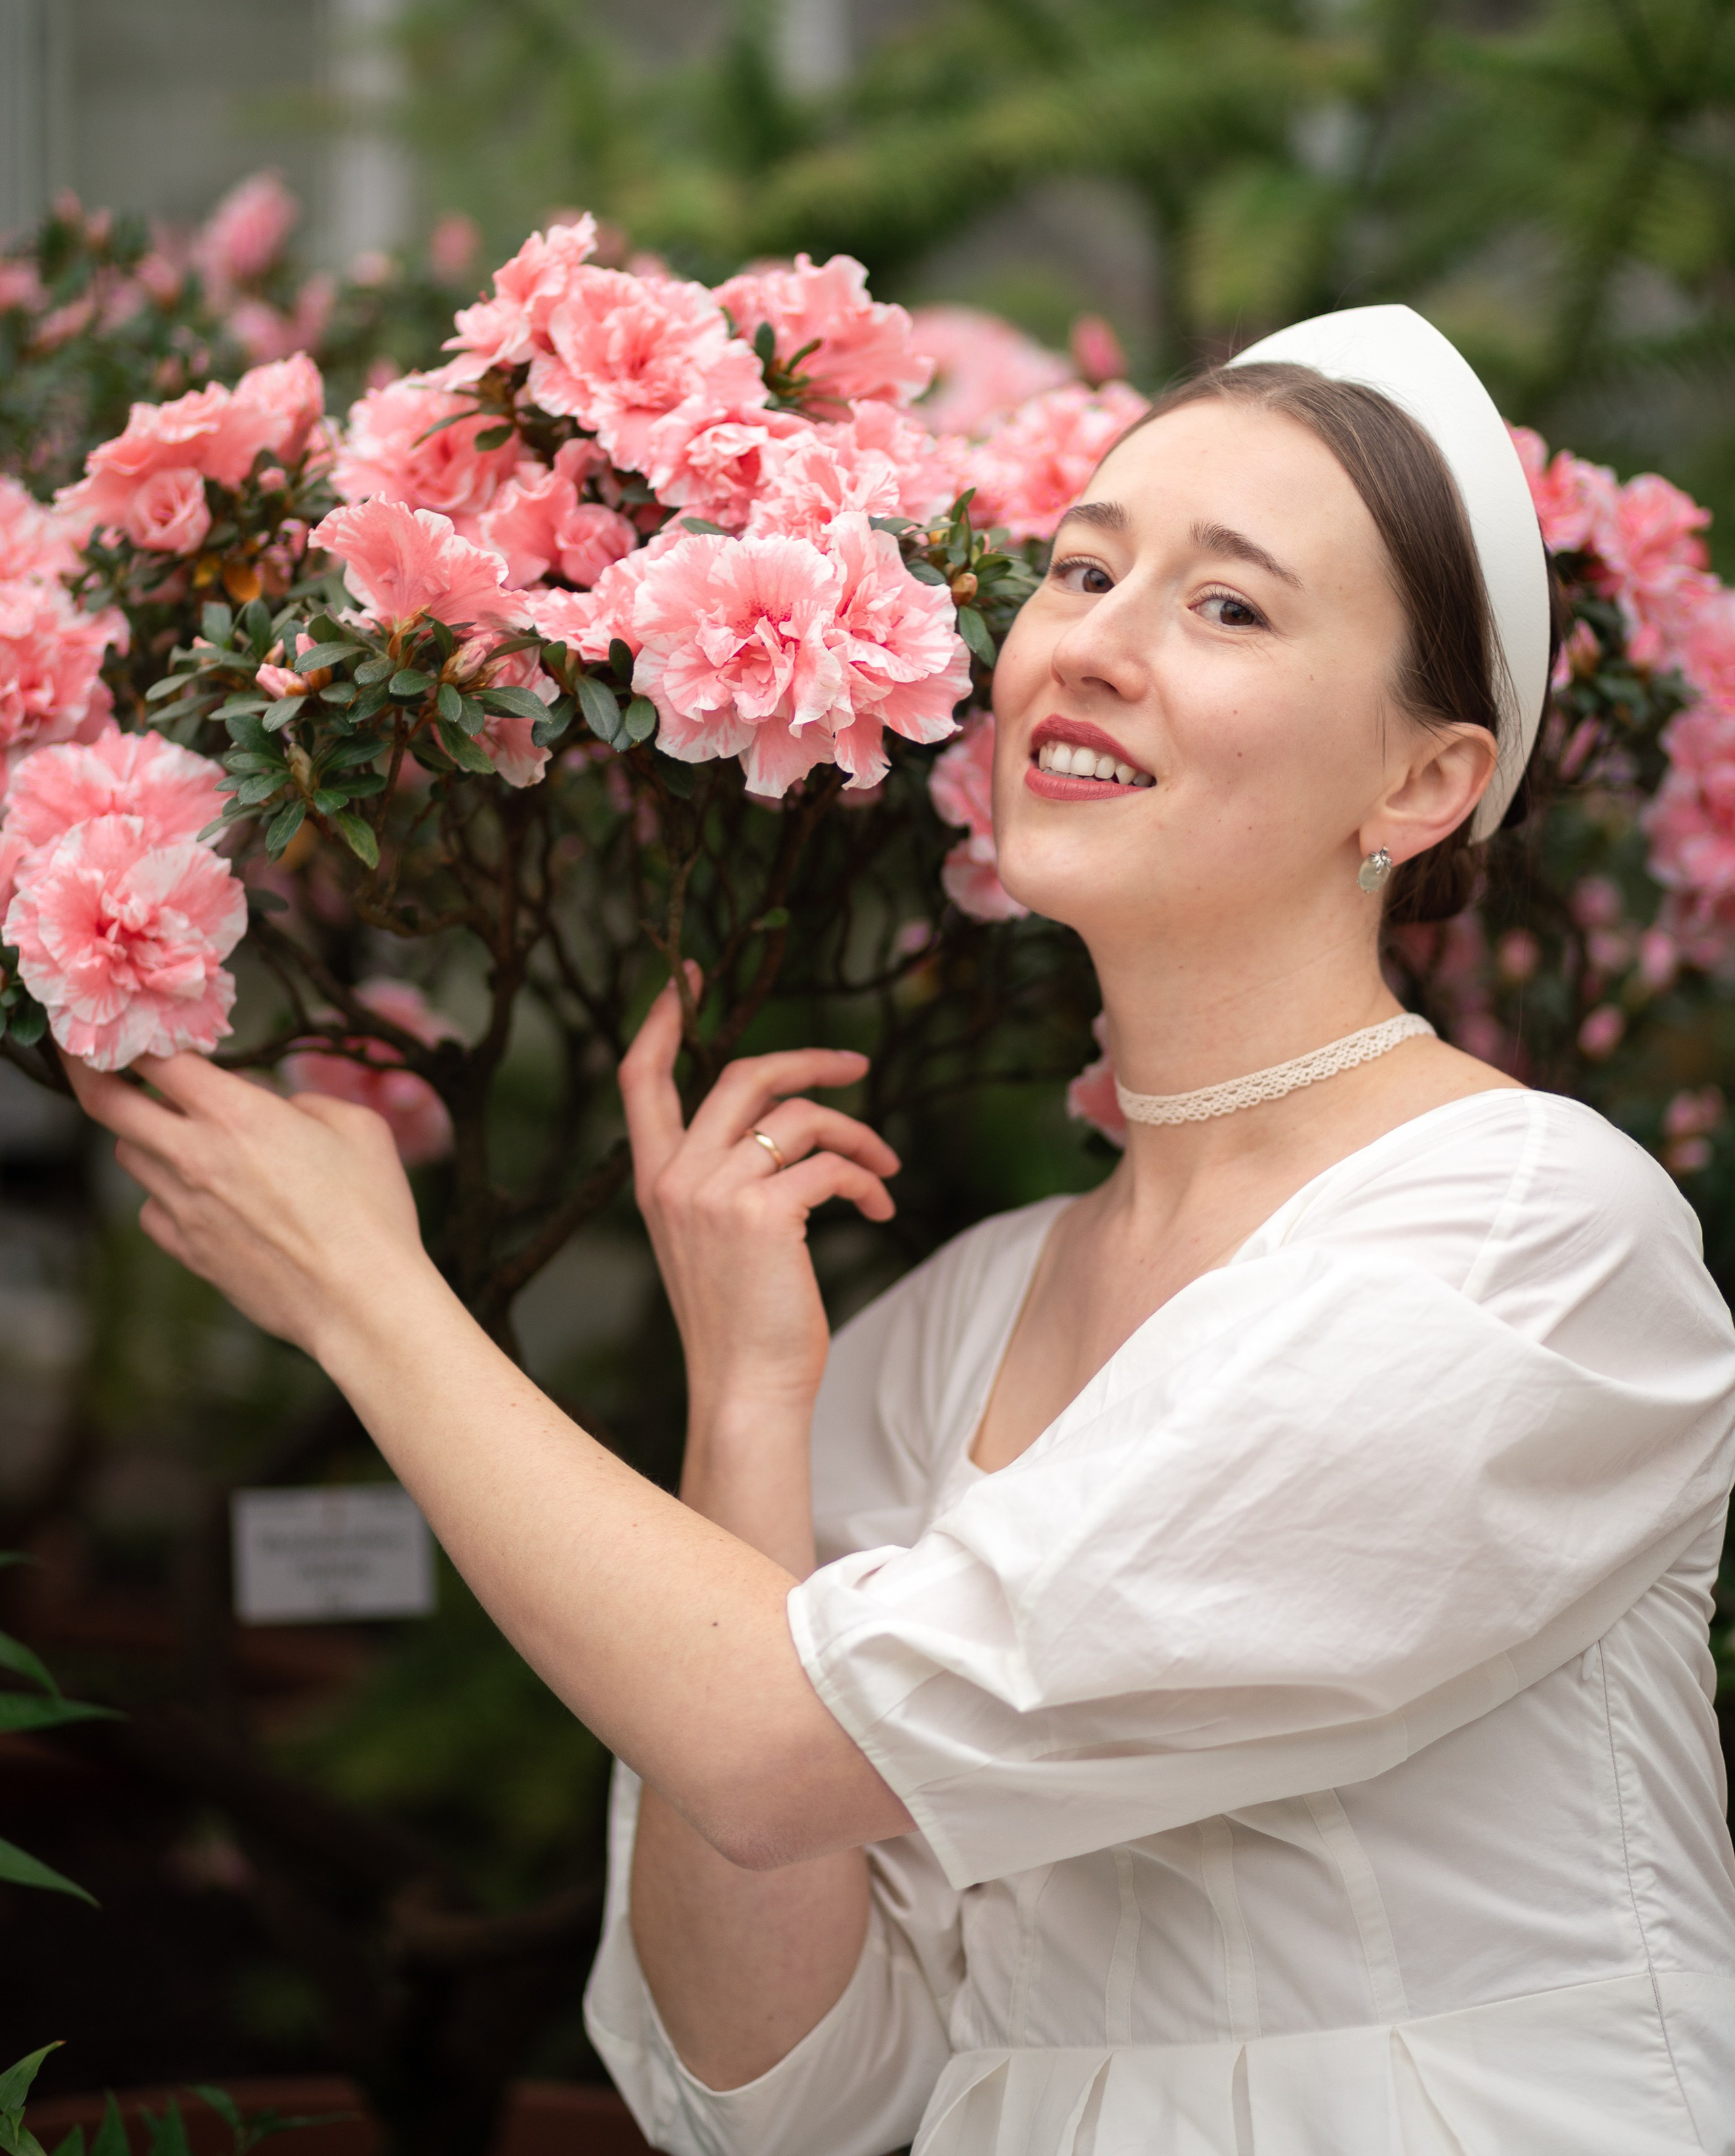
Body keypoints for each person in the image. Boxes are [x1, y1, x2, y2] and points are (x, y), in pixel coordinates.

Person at [70, 308, 1735, 2155]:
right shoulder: (958, 1320)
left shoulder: (1524, 1245)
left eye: (1227, 606)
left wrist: (368, 1294)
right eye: (1083, 570)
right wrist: (752, 1403)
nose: (1090, 644)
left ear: (1421, 784)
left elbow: (783, 1745)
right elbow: (782, 2078)